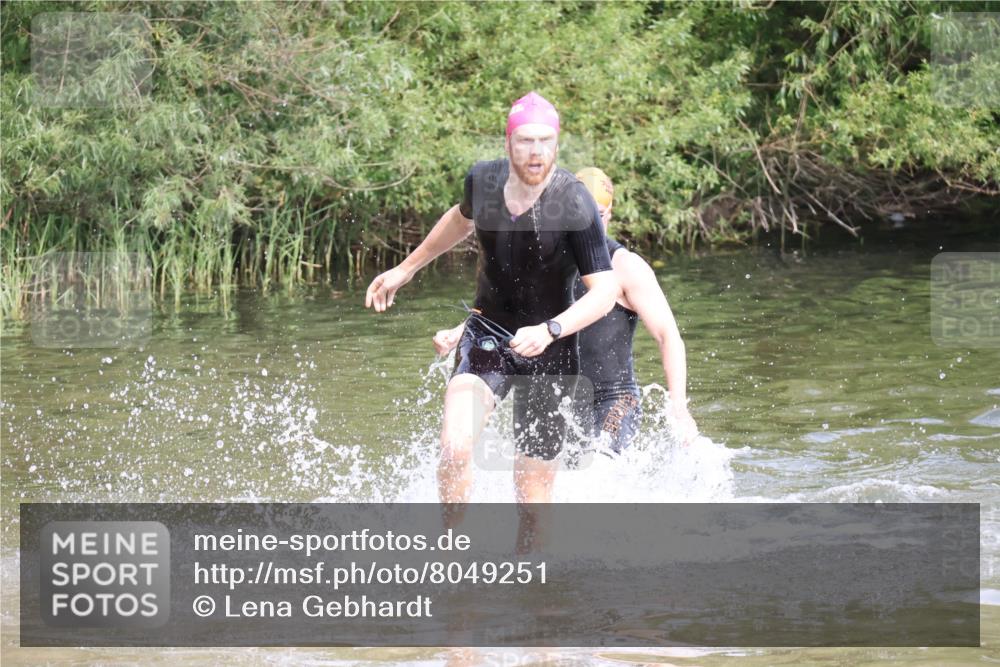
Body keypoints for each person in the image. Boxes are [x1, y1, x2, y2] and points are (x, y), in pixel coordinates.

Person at [365, 92, 618, 528]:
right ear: (508, 143)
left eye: (545, 141)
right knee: (455, 447)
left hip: (552, 351)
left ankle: (529, 569)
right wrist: (405, 270)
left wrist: (551, 329)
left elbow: (606, 292)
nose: (536, 152)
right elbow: (460, 219)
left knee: (532, 500)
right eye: (525, 141)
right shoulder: (482, 181)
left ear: (557, 145)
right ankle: (453, 548)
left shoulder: (575, 202)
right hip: (489, 333)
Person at [434, 167, 698, 452]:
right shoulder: (545, 261)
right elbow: (506, 310)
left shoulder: (626, 267)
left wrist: (679, 408)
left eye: (599, 214)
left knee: (599, 469)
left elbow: (668, 336)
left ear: (610, 213)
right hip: (558, 398)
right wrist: (460, 330)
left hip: (611, 398)